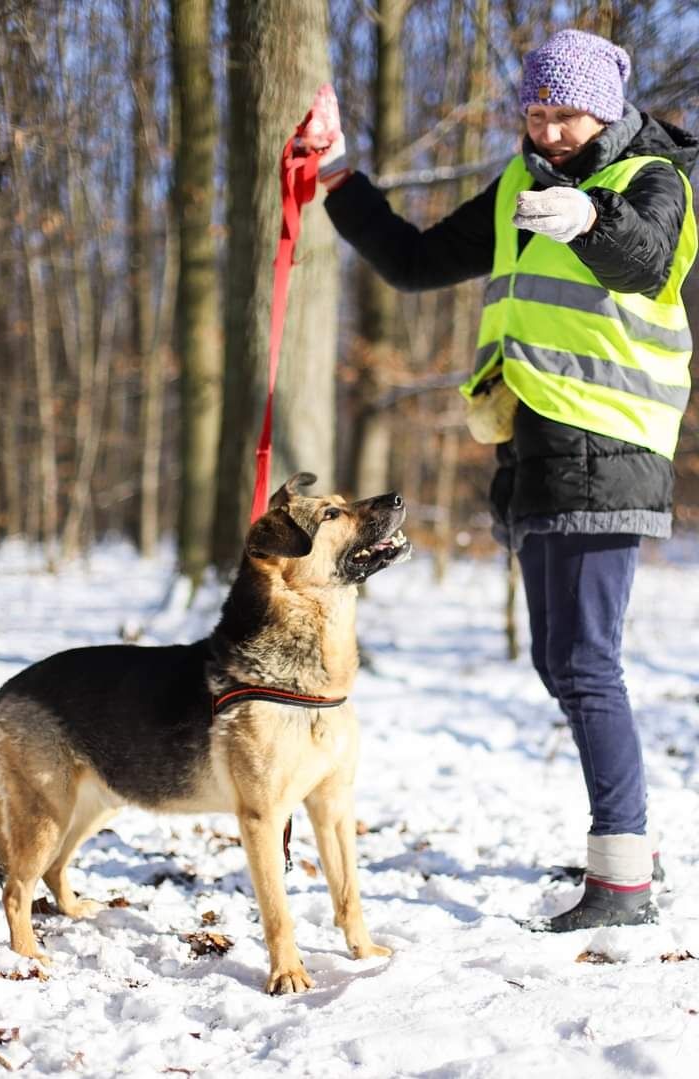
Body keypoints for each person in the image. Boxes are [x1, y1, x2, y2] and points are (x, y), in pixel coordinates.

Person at [299, 29, 698, 930]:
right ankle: (626, 843)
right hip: (540, 452)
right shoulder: (523, 181)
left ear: (605, 109)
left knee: (589, 664)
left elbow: (644, 258)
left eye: (564, 113)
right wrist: (336, 177)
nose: (548, 130)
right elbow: (412, 262)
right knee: (557, 658)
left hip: (613, 446)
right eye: (534, 112)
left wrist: (592, 219)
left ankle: (624, 878)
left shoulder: (652, 178)